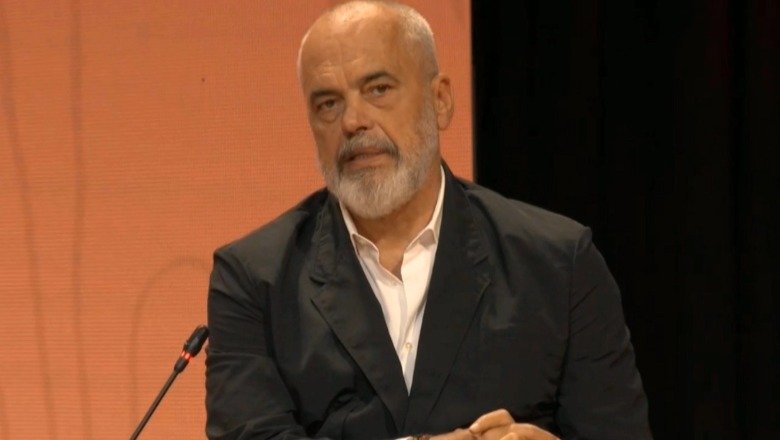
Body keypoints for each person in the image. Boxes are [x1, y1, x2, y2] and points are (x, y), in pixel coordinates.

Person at [205, 1, 652, 439]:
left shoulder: (557, 263)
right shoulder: (255, 280)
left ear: (440, 101)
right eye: (328, 104)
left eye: (378, 89)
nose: (353, 121)